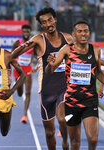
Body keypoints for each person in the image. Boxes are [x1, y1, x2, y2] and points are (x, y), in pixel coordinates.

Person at [45, 20, 104, 150]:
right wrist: (50, 64)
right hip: (71, 102)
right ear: (74, 34)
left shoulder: (95, 49)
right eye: (80, 31)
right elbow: (50, 70)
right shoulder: (67, 49)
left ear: (89, 33)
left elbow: (98, 73)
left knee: (93, 139)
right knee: (75, 142)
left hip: (90, 100)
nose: (83, 34)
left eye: (85, 31)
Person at [12, 7, 74, 150]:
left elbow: (78, 57)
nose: (48, 24)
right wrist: (7, 58)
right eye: (44, 22)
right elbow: (20, 50)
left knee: (62, 119)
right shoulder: (39, 39)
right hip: (46, 90)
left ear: (55, 19)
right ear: (42, 25)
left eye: (50, 20)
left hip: (64, 87)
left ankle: (65, 141)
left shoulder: (68, 38)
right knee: (49, 132)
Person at [12, 24, 38, 123]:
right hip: (18, 70)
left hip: (28, 70)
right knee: (20, 93)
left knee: (28, 93)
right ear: (22, 32)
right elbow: (11, 56)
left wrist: (37, 66)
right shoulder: (17, 43)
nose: (26, 33)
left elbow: (37, 55)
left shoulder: (32, 44)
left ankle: (25, 115)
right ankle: (19, 89)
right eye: (24, 32)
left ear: (30, 32)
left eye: (28, 32)